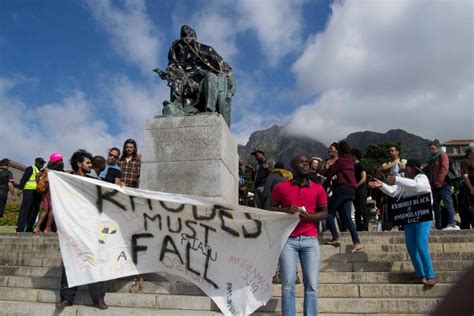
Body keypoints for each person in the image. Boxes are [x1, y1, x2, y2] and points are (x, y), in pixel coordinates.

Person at [271, 155, 328, 315]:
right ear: (292, 168)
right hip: (288, 241)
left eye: (306, 162)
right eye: (301, 162)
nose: (305, 164)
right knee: (287, 284)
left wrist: (308, 217)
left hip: (310, 240)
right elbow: (270, 208)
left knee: (311, 285)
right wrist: (285, 210)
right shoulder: (281, 187)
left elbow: (324, 213)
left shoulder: (318, 188)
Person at [369, 159, 436, 287]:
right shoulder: (405, 181)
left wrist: (398, 180)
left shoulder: (422, 178)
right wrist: (381, 185)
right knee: (411, 246)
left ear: (414, 168)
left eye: (408, 168)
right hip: (409, 217)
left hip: (423, 217)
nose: (405, 171)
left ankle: (430, 275)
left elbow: (418, 186)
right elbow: (394, 191)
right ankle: (420, 274)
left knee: (421, 244)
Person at [56, 149, 108, 310]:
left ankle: (98, 298)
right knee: (70, 262)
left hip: (89, 228)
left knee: (94, 261)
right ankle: (67, 298)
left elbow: (107, 194)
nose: (90, 165)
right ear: (79, 164)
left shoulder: (93, 181)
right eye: (87, 163)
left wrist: (119, 186)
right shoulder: (65, 180)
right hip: (71, 229)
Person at [154, 25, 236, 126]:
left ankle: (209, 110)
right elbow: (173, 68)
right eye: (183, 38)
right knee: (177, 74)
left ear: (193, 37)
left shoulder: (206, 50)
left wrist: (232, 88)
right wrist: (166, 74)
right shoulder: (179, 53)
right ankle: (177, 106)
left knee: (211, 76)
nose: (185, 41)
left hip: (204, 84)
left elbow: (226, 69)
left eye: (187, 37)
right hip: (187, 86)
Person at [323, 141, 363, 253]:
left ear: (339, 150)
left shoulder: (340, 161)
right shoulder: (350, 161)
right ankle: (357, 242)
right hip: (352, 191)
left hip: (342, 189)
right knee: (347, 217)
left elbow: (330, 174)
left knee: (328, 211)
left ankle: (336, 237)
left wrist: (324, 186)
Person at [426, 139, 459, 230]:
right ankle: (438, 225)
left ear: (437, 148)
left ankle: (451, 223)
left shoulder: (442, 155)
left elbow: (445, 168)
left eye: (432, 148)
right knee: (436, 205)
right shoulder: (432, 159)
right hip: (434, 185)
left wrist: (439, 181)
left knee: (447, 203)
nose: (431, 150)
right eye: (430, 149)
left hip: (443, 184)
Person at [34, 153, 64, 234]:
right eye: (60, 160)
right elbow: (48, 180)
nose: (62, 161)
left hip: (44, 191)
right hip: (51, 190)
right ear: (58, 161)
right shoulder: (58, 170)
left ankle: (37, 227)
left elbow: (37, 176)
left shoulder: (46, 168)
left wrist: (40, 185)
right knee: (52, 210)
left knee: (44, 210)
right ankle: (47, 229)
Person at [16, 157, 45, 232]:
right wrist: (20, 189)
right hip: (29, 191)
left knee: (34, 210)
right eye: (40, 163)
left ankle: (29, 227)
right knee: (25, 209)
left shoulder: (41, 172)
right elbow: (24, 179)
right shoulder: (31, 168)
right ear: (36, 162)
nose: (42, 165)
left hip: (37, 193)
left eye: (43, 163)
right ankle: (20, 227)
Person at [351, 148, 368, 231]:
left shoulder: (361, 165)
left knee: (363, 208)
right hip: (355, 190)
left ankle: (365, 226)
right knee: (357, 209)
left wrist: (356, 185)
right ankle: (358, 227)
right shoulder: (351, 166)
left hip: (361, 189)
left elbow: (364, 178)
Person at [459, 143, 474, 229]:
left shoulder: (465, 161)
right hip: (470, 187)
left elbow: (465, 176)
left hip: (470, 188)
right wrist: (471, 187)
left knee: (469, 207)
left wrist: (470, 187)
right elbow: (465, 176)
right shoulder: (466, 161)